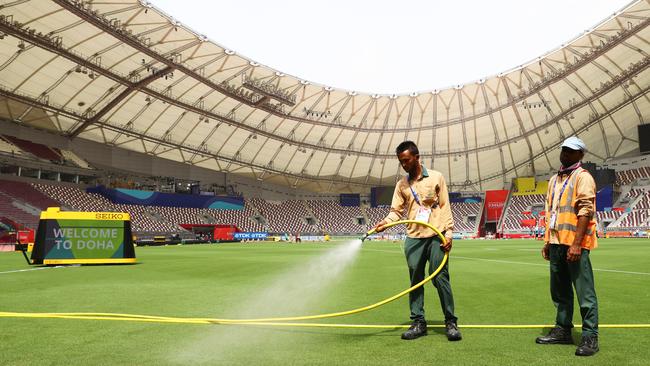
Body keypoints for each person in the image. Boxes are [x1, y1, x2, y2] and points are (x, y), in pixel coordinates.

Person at [373, 140, 461, 341]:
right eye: (401, 162)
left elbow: (446, 206)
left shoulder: (437, 177)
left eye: (406, 160)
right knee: (415, 281)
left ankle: (451, 322)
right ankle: (418, 322)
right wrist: (385, 223)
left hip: (437, 235)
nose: (404, 165)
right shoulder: (401, 185)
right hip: (414, 238)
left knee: (440, 277)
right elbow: (396, 212)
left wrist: (449, 234)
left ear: (416, 157)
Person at [536, 136, 599, 356]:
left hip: (574, 245)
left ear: (580, 155)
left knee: (584, 292)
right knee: (560, 291)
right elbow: (550, 213)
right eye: (564, 150)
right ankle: (563, 329)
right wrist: (547, 241)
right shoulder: (554, 180)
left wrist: (576, 244)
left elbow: (585, 211)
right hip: (556, 243)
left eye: (571, 151)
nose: (565, 154)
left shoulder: (582, 177)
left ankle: (590, 336)